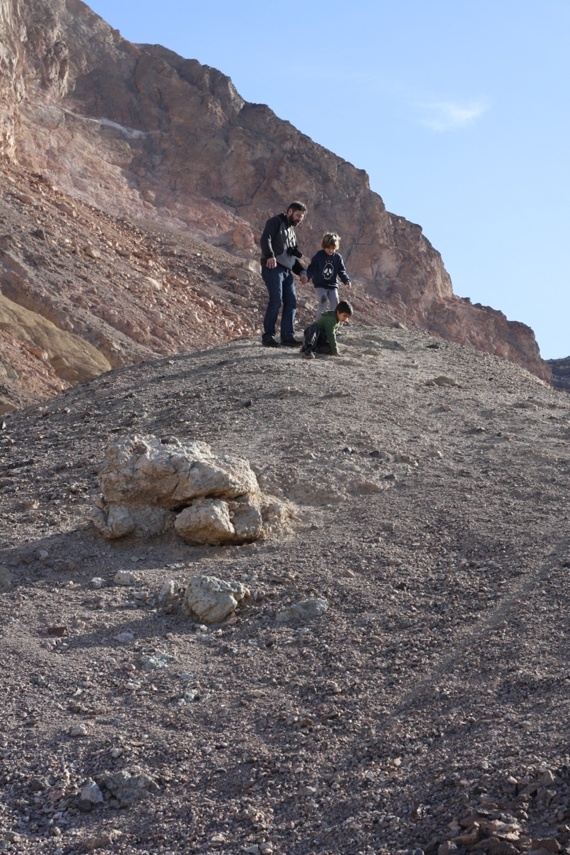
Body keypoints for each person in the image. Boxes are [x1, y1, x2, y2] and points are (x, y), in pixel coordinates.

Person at [259, 201, 308, 347]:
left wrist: (302, 272)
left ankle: (287, 336)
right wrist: (269, 255)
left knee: (291, 301)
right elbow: (265, 238)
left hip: (287, 271)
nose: (299, 219)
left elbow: (291, 258)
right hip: (273, 267)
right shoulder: (276, 221)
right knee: (276, 300)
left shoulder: (292, 231)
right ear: (290, 211)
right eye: (298, 216)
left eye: (301, 217)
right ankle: (268, 336)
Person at [307, 232, 352, 318]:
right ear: (324, 246)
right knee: (322, 302)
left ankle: (333, 324)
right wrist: (307, 276)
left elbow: (341, 271)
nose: (330, 250)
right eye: (328, 248)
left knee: (335, 304)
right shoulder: (319, 256)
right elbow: (312, 268)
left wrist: (346, 280)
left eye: (333, 248)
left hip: (332, 285)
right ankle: (319, 324)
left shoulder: (337, 258)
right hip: (320, 284)